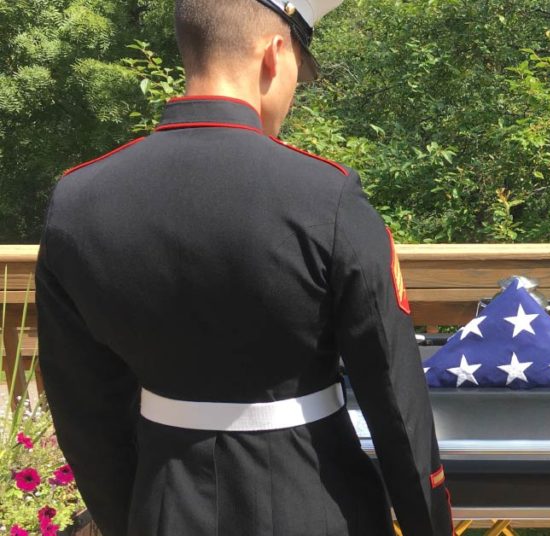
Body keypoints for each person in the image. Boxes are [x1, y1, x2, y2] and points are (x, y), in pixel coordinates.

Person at [36, 1, 452, 534]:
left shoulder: (77, 201)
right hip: (317, 502)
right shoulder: (326, 196)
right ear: (275, 55)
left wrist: (131, 520)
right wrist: (428, 525)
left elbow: (84, 412)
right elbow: (394, 401)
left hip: (163, 504)